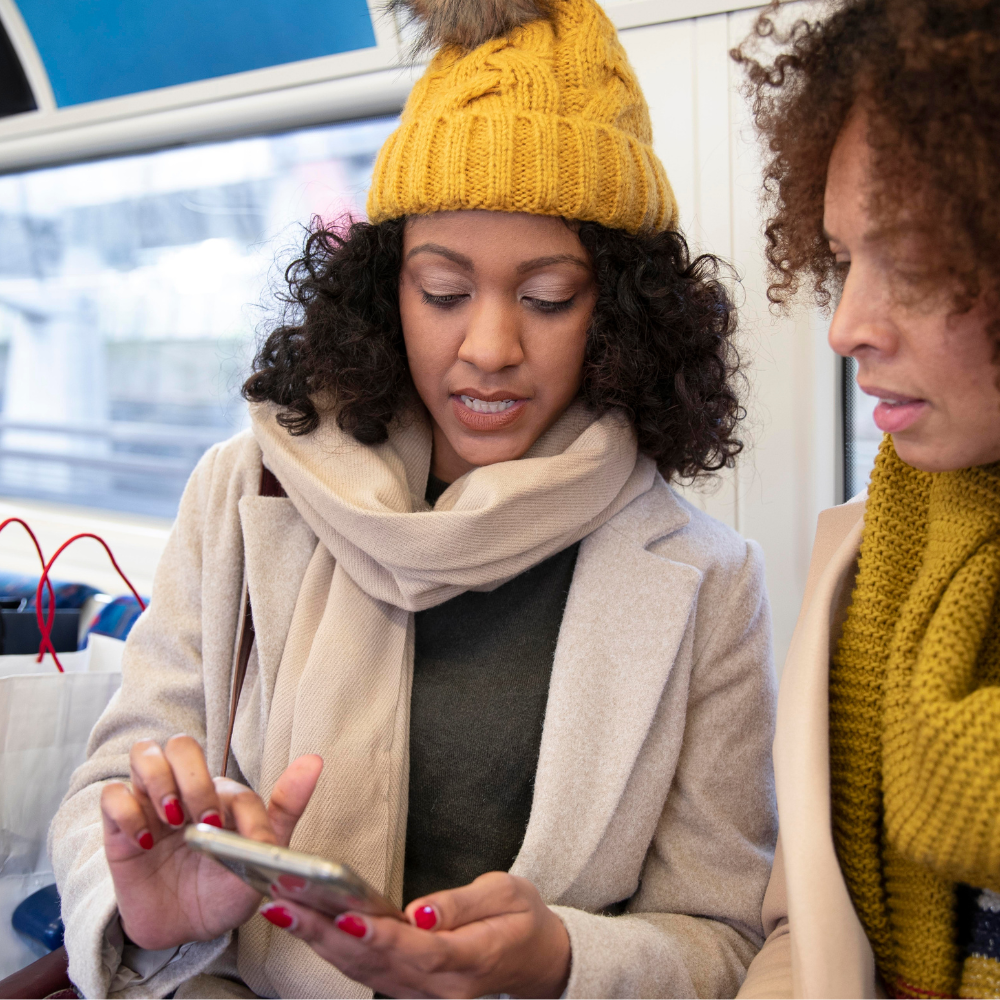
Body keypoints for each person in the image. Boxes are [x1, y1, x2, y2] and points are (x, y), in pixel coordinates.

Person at [50, 1, 778, 997]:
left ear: (621, 308)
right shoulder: (241, 497)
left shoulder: (710, 582)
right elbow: (110, 787)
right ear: (384, 291)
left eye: (547, 296)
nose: (487, 347)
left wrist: (563, 960)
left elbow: (723, 935)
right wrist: (145, 907)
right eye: (442, 291)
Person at [731, 0, 1000, 996]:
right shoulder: (867, 559)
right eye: (843, 260)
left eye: (916, 263)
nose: (844, 326)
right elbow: (804, 930)